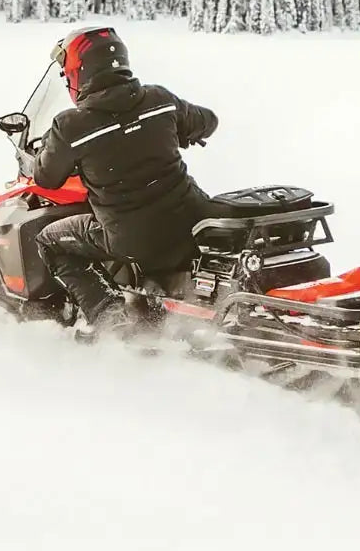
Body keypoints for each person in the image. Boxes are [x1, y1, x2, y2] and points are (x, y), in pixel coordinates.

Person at [24, 25, 219, 337]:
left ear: (80, 73)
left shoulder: (71, 126)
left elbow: (46, 177)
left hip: (132, 239)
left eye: (68, 75)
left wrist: (46, 150)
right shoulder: (160, 100)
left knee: (50, 241)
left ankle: (110, 320)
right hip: (187, 222)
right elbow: (208, 121)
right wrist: (181, 131)